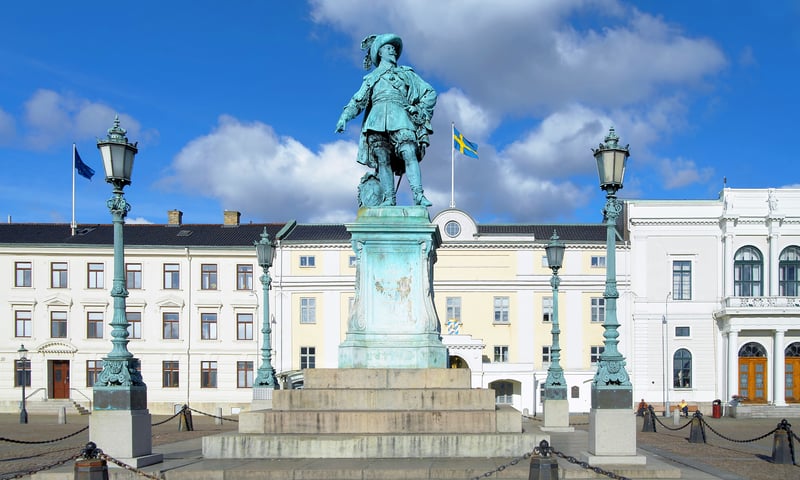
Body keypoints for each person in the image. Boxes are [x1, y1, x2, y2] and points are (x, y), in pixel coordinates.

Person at [336, 33, 437, 208]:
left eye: (394, 49)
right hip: (376, 120)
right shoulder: (371, 78)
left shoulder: (406, 74)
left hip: (401, 116)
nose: (393, 51)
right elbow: (358, 101)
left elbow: (430, 93)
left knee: (409, 151)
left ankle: (419, 195)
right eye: (388, 48)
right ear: (380, 53)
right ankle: (389, 198)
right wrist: (344, 117)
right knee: (383, 159)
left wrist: (419, 109)